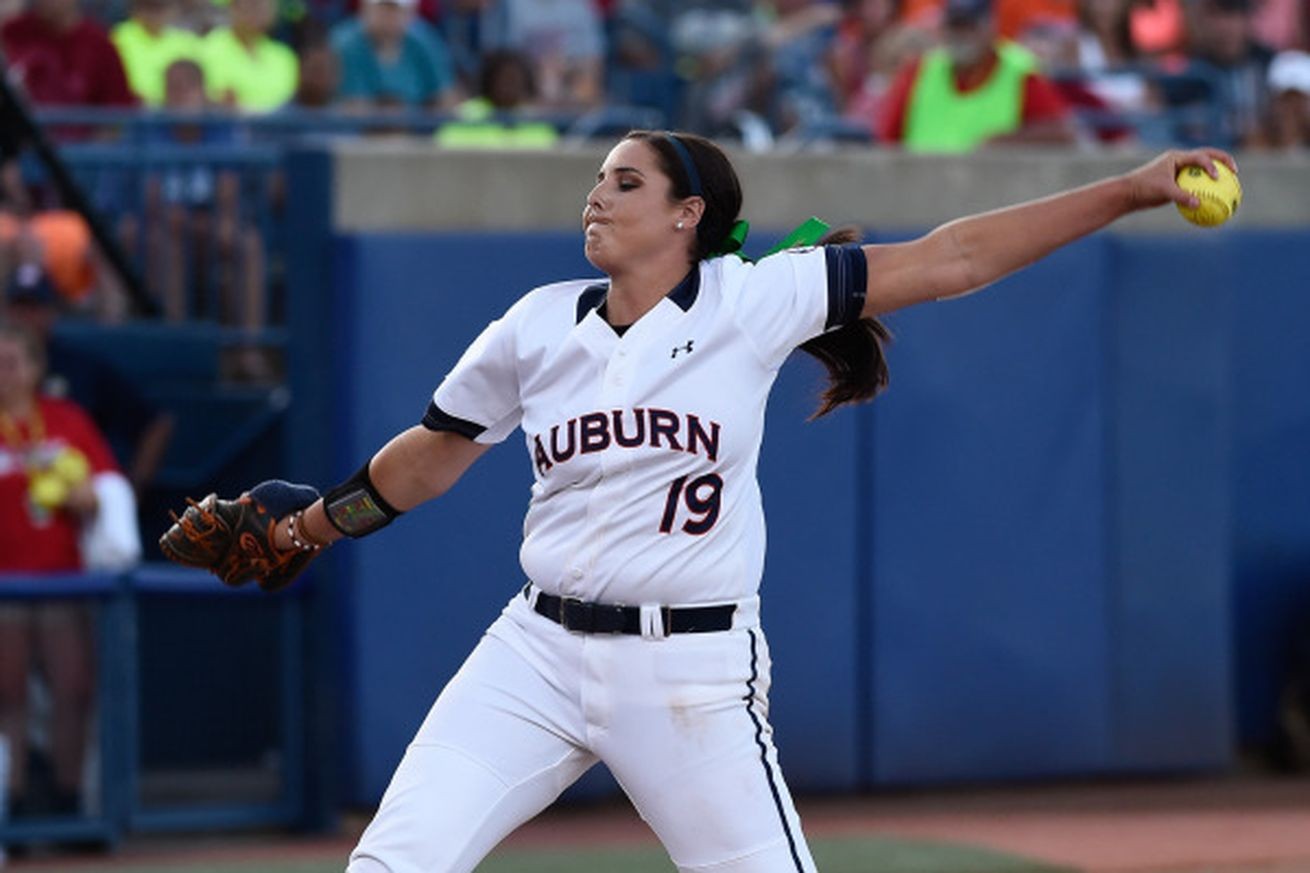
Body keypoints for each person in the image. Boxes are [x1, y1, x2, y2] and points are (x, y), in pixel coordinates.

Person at [185, 129, 1235, 872]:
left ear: (688, 215)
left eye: (625, 182)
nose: (596, 197)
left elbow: (951, 259)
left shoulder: (755, 298)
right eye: (595, 180)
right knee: (393, 862)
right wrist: (305, 526)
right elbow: (432, 456)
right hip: (534, 654)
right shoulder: (535, 324)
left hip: (687, 669)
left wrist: (1129, 190)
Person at [0, 321, 137, 818]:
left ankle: (67, 799)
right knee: (7, 693)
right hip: (5, 587)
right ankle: (11, 801)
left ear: (37, 368)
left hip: (63, 580)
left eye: (13, 362)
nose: (5, 373)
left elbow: (107, 490)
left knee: (72, 689)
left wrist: (86, 498)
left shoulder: (66, 419)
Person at [878, 0, 1076, 151]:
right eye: (955, 27)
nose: (961, 35)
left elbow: (1060, 133)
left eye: (969, 27)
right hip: (923, 185)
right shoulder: (918, 72)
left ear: (990, 27)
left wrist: (1002, 142)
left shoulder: (1020, 73)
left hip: (995, 188)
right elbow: (886, 142)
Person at [329, 0, 459, 111]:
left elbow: (446, 97)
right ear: (365, 9)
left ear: (411, 13)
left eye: (395, 10)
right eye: (382, 9)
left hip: (417, 130)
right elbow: (351, 106)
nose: (388, 17)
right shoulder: (343, 44)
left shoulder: (425, 42)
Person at [200, 0, 299, 111]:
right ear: (233, 7)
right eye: (252, 3)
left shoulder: (285, 56)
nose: (260, 10)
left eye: (266, 4)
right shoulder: (208, 49)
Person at [111, 0, 203, 106]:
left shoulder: (185, 40)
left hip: (173, 108)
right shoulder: (119, 36)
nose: (155, 13)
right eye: (150, 6)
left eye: (161, 7)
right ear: (137, 8)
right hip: (133, 108)